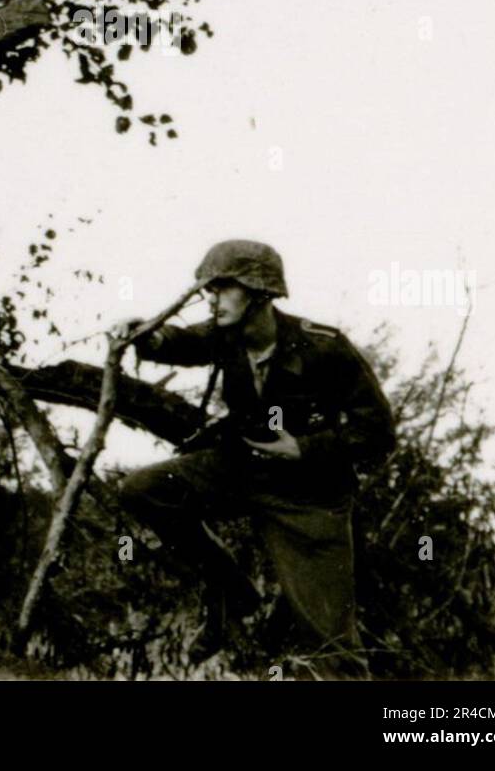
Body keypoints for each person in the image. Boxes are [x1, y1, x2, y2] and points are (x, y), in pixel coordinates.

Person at [113, 239, 396, 676]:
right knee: (144, 490)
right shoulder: (224, 336)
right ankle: (230, 588)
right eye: (210, 289)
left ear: (260, 293)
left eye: (225, 288)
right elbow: (182, 343)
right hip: (242, 469)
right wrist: (146, 334)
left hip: (309, 498)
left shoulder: (323, 347)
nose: (213, 298)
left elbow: (377, 431)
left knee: (333, 653)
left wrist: (303, 448)